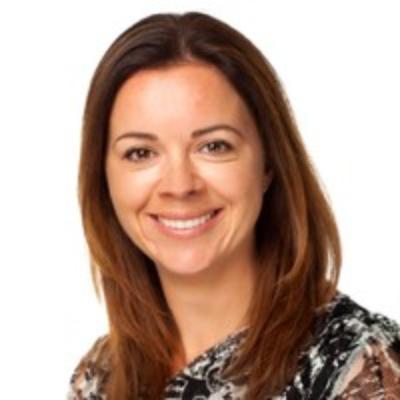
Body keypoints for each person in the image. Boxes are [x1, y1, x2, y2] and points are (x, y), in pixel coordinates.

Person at [67, 11, 400, 400]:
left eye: (214, 146)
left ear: (269, 163)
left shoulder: (360, 365)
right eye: (140, 152)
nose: (179, 186)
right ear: (104, 176)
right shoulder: (100, 377)